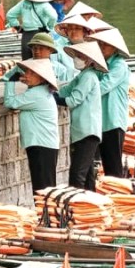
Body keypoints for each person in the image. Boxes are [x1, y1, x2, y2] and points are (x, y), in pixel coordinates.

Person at [2, 57, 60, 194]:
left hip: (41, 145)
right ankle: (45, 214)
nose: (26, 75)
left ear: (41, 78)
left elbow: (10, 102)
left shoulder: (36, 94)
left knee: (42, 189)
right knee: (45, 187)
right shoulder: (41, 91)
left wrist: (10, 82)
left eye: (31, 73)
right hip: (44, 144)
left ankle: (44, 214)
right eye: (27, 71)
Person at [58, 40, 106, 190]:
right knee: (87, 174)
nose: (76, 59)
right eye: (77, 55)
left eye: (80, 56)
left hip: (87, 131)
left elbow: (73, 100)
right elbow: (65, 90)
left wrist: (56, 99)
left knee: (77, 174)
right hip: (81, 131)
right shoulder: (81, 76)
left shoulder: (89, 77)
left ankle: (76, 203)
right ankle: (90, 200)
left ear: (89, 60)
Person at [88, 26, 131, 177]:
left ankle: (118, 194)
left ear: (114, 47)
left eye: (104, 45)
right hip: (100, 121)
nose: (101, 48)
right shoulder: (99, 64)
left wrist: (82, 92)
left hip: (113, 121)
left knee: (113, 166)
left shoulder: (119, 65)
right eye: (99, 44)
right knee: (102, 164)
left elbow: (104, 86)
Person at [5, 0, 70, 59]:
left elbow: (10, 15)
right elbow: (53, 16)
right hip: (41, 33)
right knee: (42, 59)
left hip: (26, 34)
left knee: (26, 59)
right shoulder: (44, 5)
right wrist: (50, 27)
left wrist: (17, 26)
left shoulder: (23, 3)